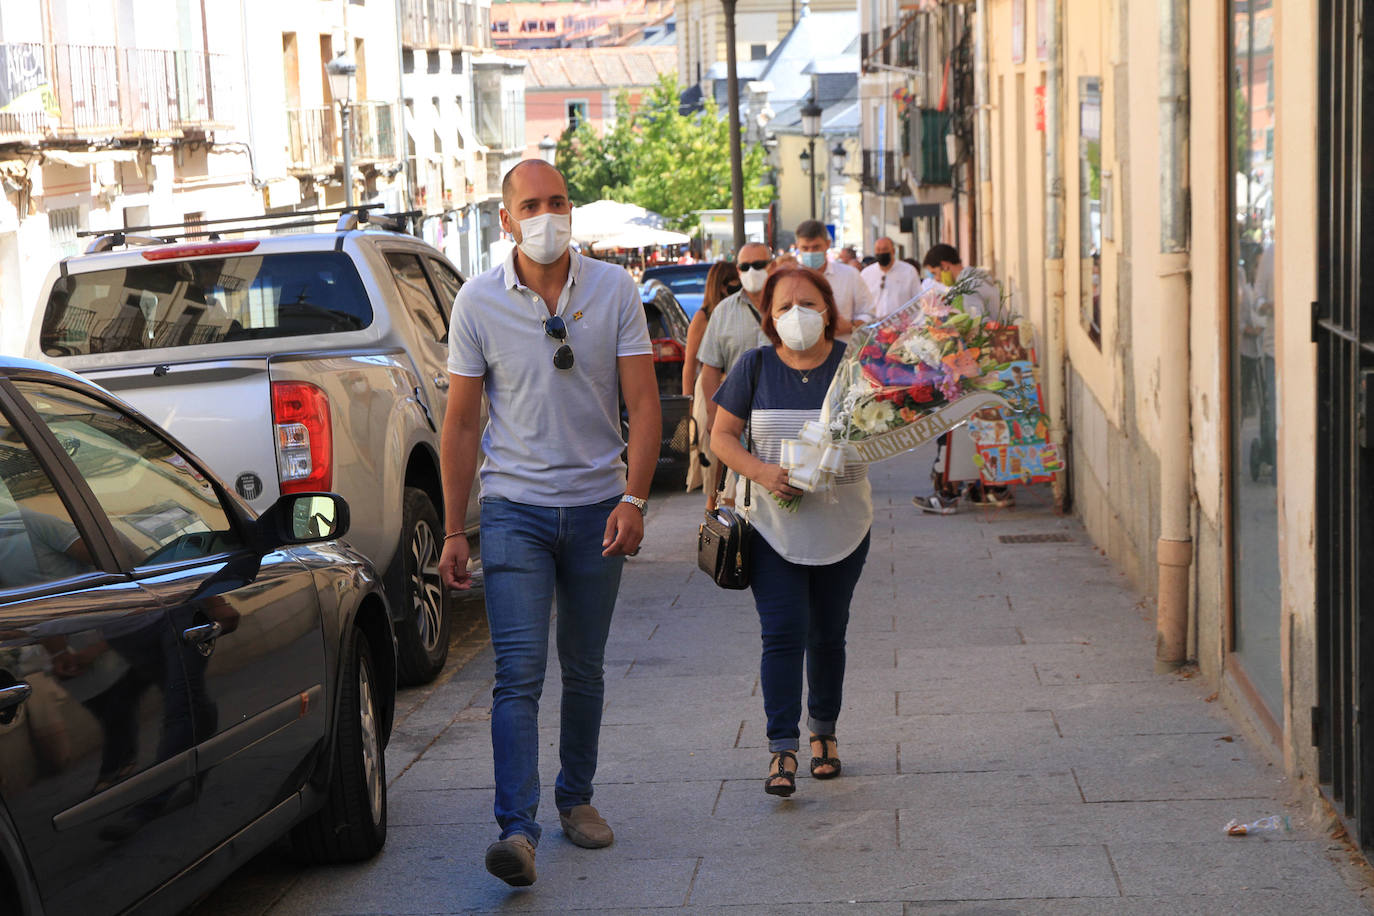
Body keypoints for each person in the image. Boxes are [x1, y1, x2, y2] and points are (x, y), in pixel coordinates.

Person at [438, 159, 662, 888]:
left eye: (557, 201)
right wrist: (451, 529)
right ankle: (518, 830)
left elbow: (645, 402)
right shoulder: (476, 302)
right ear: (505, 219)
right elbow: (463, 422)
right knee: (518, 675)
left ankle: (577, 797)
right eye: (530, 204)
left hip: (600, 507)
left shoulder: (614, 288)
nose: (547, 215)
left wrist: (633, 499)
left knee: (586, 668)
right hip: (514, 512)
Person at [710, 265, 873, 798]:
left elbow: (881, 435)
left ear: (829, 311)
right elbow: (723, 437)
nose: (797, 315)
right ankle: (782, 747)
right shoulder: (753, 367)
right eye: (784, 307)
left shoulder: (855, 368)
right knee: (782, 634)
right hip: (771, 528)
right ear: (769, 318)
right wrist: (763, 473)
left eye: (808, 303)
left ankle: (823, 733)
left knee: (828, 633)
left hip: (843, 525)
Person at [698, 242, 773, 507]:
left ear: (772, 266)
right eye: (745, 266)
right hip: (736, 416)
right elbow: (709, 369)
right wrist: (712, 414)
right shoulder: (723, 311)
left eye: (759, 264)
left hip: (779, 413)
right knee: (736, 490)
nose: (752, 270)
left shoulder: (787, 305)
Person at [683, 261, 741, 492]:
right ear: (721, 286)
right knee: (713, 459)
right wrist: (688, 407)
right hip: (709, 391)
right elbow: (690, 365)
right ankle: (711, 515)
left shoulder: (738, 313)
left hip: (735, 388)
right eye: (735, 283)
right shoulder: (703, 317)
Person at [794, 219, 874, 343]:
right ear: (797, 246)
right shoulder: (790, 280)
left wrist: (850, 325)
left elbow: (870, 314)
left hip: (842, 352)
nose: (810, 253)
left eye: (816, 247)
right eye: (805, 248)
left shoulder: (849, 275)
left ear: (827, 244)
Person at [861, 236, 922, 320]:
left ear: (893, 251)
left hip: (903, 326)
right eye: (878, 250)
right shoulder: (866, 274)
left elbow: (918, 300)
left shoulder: (909, 271)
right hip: (874, 326)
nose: (881, 253)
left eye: (885, 249)